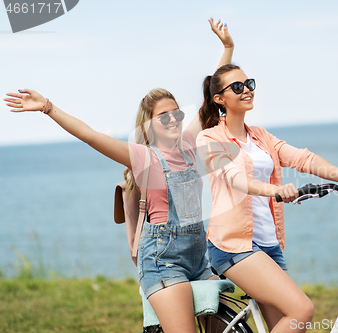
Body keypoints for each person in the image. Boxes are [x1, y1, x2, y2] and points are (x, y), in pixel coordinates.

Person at [4, 18, 235, 333]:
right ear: (150, 124)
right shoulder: (143, 156)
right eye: (162, 116)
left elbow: (212, 97)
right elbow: (90, 135)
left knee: (228, 326)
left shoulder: (189, 145)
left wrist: (227, 48)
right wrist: (48, 107)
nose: (172, 119)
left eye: (176, 113)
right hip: (163, 261)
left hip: (198, 257)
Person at [196, 63, 338, 332]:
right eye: (237, 87)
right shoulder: (209, 138)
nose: (246, 90)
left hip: (269, 245)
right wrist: (275, 190)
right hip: (235, 245)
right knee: (301, 309)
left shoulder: (260, 136)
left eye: (249, 84)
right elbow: (234, 177)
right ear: (220, 99)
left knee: (293, 326)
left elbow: (304, 159)